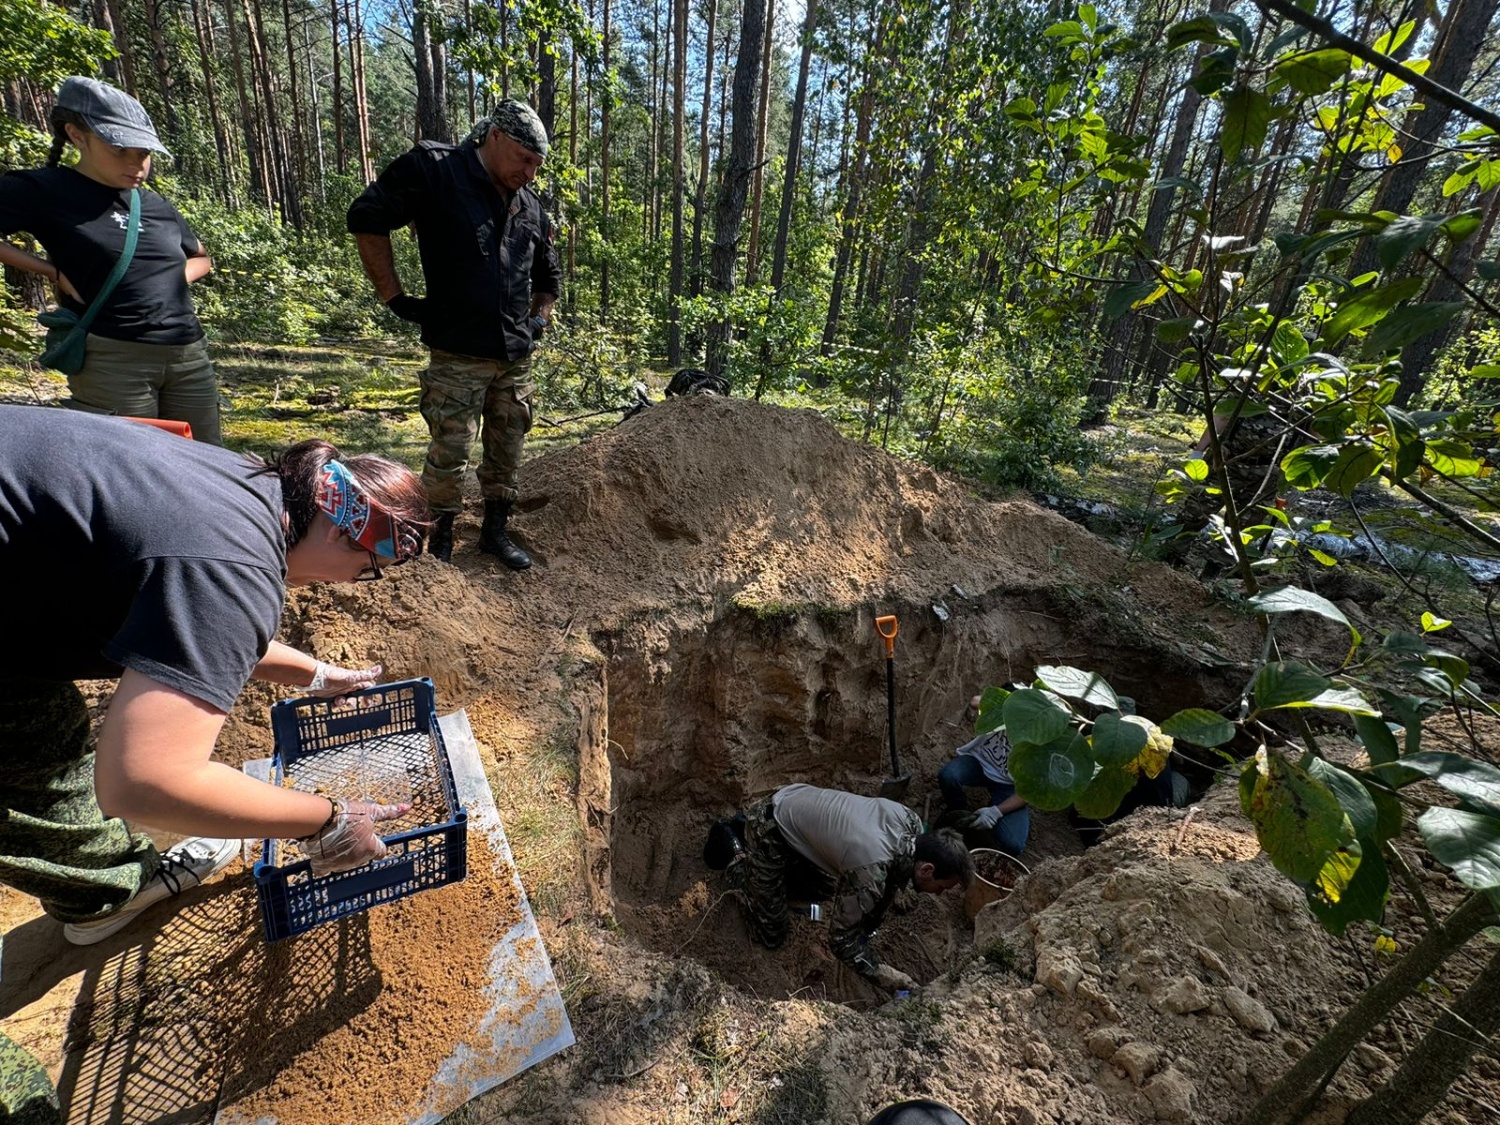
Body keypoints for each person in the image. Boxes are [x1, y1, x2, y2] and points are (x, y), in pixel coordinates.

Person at [0, 406, 429, 1122]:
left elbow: (188, 606)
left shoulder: (246, 490)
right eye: (370, 569)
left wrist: (317, 676)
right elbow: (140, 779)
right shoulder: (235, 562)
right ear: (341, 529)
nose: (356, 584)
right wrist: (326, 820)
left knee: (36, 732)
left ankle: (99, 893)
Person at [347, 99, 562, 569]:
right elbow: (367, 216)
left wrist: (538, 322)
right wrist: (395, 298)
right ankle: (439, 539)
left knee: (508, 448)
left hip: (515, 357)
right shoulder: (437, 170)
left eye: (537, 166)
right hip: (458, 352)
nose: (530, 173)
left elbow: (550, 281)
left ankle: (494, 533)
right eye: (524, 160)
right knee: (449, 452)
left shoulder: (530, 207)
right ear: (496, 138)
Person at [0, 77, 223, 444]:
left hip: (188, 355)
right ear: (77, 135)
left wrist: (165, 279)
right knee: (129, 472)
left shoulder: (154, 204)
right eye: (121, 150)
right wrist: (50, 270)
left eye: (144, 153)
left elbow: (201, 257)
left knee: (209, 465)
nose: (137, 164)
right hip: (113, 357)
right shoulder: (43, 189)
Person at [724, 783, 971, 993]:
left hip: (796, 808)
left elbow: (894, 876)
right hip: (769, 827)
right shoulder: (870, 868)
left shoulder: (912, 824)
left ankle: (775, 876)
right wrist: (891, 979)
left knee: (825, 889)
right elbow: (841, 941)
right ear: (927, 869)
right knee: (772, 933)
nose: (938, 893)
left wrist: (871, 922)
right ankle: (737, 859)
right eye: (940, 887)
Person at [938, 696, 1031, 855]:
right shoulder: (1006, 713)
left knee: (1013, 845)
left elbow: (1029, 793)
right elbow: (974, 701)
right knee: (949, 776)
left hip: (1009, 785)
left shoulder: (1041, 747)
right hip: (979, 763)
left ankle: (993, 818)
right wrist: (1013, 705)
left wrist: (996, 811)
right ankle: (957, 810)